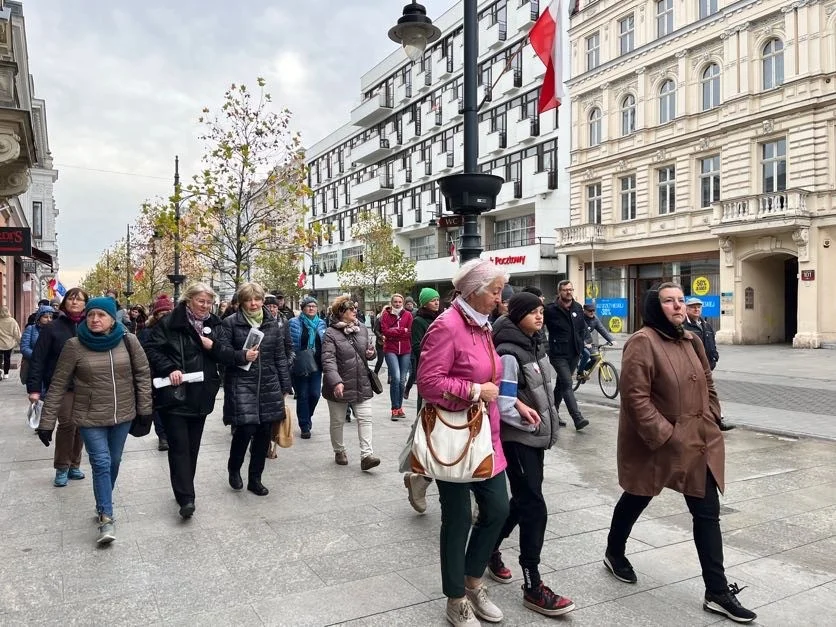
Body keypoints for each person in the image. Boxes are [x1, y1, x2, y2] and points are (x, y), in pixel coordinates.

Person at [603, 283, 756, 623]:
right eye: (669, 301)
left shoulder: (692, 340)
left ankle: (716, 590)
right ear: (655, 307)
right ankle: (614, 551)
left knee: (706, 512)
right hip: (658, 441)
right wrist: (666, 435)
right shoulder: (642, 342)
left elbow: (707, 380)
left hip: (698, 439)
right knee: (638, 494)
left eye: (681, 301)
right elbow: (635, 397)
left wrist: (713, 413)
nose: (678, 307)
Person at [416, 258, 510, 627]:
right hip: (453, 438)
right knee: (456, 520)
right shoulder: (447, 325)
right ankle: (456, 598)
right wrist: (474, 390)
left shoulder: (483, 326)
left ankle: (474, 580)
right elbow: (428, 383)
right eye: (496, 291)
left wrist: (511, 400)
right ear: (474, 292)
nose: (500, 299)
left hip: (487, 435)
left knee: (498, 510)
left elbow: (492, 377)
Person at [36, 296, 153, 545]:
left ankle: (102, 501)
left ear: (113, 319)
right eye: (91, 315)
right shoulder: (74, 346)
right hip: (89, 416)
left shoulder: (128, 340)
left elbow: (143, 375)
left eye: (101, 315)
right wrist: (46, 423)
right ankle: (106, 517)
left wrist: (145, 410)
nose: (95, 319)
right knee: (101, 462)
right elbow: (57, 385)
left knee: (115, 460)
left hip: (122, 413)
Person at [489, 292, 574, 617]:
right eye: (532, 312)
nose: (539, 316)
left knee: (522, 502)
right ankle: (533, 583)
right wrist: (525, 416)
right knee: (535, 506)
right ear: (518, 315)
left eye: (541, 311)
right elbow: (504, 401)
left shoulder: (534, 345)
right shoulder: (511, 352)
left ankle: (487, 548)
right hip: (518, 440)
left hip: (533, 439)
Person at [144, 282, 236, 518]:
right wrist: (169, 368)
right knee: (179, 447)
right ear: (188, 300)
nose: (205, 306)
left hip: (202, 394)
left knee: (192, 448)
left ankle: (185, 489)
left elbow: (226, 353)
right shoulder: (170, 323)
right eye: (200, 301)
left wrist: (212, 346)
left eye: (208, 302)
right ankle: (187, 498)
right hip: (175, 396)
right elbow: (152, 349)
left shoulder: (215, 324)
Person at [217, 282, 293, 496]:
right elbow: (221, 354)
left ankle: (255, 478)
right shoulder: (230, 323)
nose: (253, 303)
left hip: (268, 383)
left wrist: (285, 384)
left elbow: (279, 356)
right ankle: (234, 468)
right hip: (241, 382)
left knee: (263, 433)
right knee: (245, 428)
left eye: (257, 299)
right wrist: (242, 356)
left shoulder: (272, 324)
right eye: (249, 299)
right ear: (241, 301)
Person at [27, 288, 89, 486]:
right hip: (61, 384)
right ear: (64, 303)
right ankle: (62, 466)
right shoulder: (53, 328)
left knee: (81, 426)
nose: (75, 302)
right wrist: (34, 389)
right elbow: (38, 359)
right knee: (67, 424)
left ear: (85, 304)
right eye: (71, 298)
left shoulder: (90, 326)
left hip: (86, 384)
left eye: (79, 300)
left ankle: (74, 465)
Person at [320, 296, 380, 470]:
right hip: (340, 383)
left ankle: (366, 455)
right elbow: (328, 360)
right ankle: (339, 450)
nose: (355, 311)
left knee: (365, 418)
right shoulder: (330, 333)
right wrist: (336, 381)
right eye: (351, 309)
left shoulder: (361, 328)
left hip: (361, 381)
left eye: (355, 308)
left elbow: (369, 350)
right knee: (338, 420)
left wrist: (371, 352)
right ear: (341, 312)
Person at [402, 287, 441, 514]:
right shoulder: (419, 321)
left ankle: (420, 479)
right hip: (430, 376)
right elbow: (417, 347)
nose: (436, 303)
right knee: (430, 434)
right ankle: (420, 478)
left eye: (437, 300)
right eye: (432, 300)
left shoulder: (440, 318)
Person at [543, 280, 589, 431]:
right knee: (567, 383)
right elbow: (539, 328)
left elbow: (582, 328)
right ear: (559, 292)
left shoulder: (577, 308)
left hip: (574, 352)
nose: (569, 292)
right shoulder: (550, 309)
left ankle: (553, 413)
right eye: (565, 290)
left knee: (561, 384)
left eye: (570, 289)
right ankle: (577, 418)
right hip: (558, 354)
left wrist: (583, 344)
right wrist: (546, 347)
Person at [684, 297, 734, 432]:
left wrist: (714, 356)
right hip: (690, 368)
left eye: (698, 307)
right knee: (703, 393)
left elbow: (711, 341)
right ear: (686, 309)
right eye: (693, 307)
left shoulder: (705, 324)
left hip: (706, 367)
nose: (696, 309)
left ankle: (715, 419)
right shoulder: (683, 326)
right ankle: (718, 419)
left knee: (707, 393)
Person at [139, 294, 175, 451]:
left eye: (169, 312)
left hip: (173, 373)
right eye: (162, 313)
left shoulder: (177, 330)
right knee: (158, 407)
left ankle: (170, 433)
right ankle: (163, 436)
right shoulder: (147, 332)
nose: (166, 316)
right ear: (156, 314)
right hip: (154, 374)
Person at [288, 295, 326, 439]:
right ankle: (304, 425)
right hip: (300, 364)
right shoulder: (294, 323)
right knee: (303, 395)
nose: (311, 308)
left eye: (314, 306)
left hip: (317, 364)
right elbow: (289, 343)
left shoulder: (322, 324)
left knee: (315, 394)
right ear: (303, 308)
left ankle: (307, 416)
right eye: (308, 306)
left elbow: (325, 343)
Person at [380, 293, 413, 420]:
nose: (398, 304)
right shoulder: (386, 315)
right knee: (396, 378)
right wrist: (401, 331)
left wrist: (395, 333)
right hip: (390, 349)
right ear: (391, 303)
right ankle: (394, 408)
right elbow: (385, 332)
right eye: (395, 302)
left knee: (403, 379)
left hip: (405, 350)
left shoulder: (408, 315)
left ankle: (400, 408)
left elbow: (409, 333)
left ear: (403, 303)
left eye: (400, 302)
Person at [577, 302, 616, 377]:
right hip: (577, 341)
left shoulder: (595, 319)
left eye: (593, 310)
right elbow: (575, 333)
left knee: (596, 357)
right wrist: (584, 343)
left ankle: (582, 369)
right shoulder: (579, 318)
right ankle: (579, 373)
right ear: (584, 310)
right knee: (586, 354)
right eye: (590, 311)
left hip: (588, 341)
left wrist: (611, 340)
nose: (592, 312)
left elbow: (602, 329)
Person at [0, 306, 21, 380]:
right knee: (7, 359)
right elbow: (16, 333)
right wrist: (20, 342)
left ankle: (0, 371)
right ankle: (6, 374)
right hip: (8, 344)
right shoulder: (12, 321)